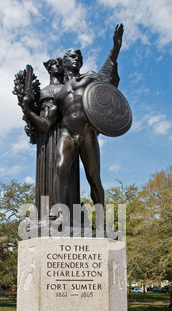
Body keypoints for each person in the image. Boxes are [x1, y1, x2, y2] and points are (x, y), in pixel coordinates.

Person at [23, 24, 124, 218]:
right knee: (60, 168)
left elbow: (107, 75)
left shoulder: (90, 78)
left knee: (94, 178)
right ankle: (61, 214)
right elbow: (46, 124)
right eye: (72, 56)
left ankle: (102, 220)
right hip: (68, 133)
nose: (76, 58)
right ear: (65, 61)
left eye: (79, 56)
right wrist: (28, 110)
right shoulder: (59, 93)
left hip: (87, 133)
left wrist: (115, 48)